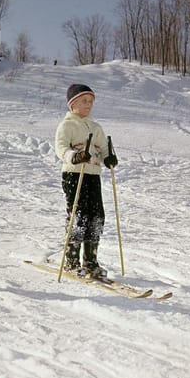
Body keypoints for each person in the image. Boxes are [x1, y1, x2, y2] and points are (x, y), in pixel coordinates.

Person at [54, 84, 117, 278]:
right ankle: (71, 260)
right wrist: (74, 155)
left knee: (97, 216)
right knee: (79, 215)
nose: (88, 104)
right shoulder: (67, 125)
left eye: (91, 101)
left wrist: (109, 158)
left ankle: (90, 261)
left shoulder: (96, 127)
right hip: (74, 173)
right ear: (73, 104)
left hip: (92, 175)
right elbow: (61, 147)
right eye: (84, 101)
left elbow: (104, 148)